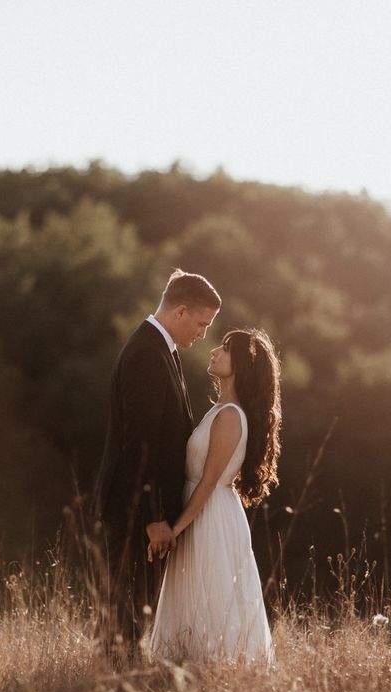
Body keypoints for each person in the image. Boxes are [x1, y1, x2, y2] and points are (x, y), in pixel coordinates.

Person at [93, 269, 221, 658]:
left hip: (144, 509)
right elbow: (140, 445)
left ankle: (122, 676)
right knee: (124, 612)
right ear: (181, 312)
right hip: (133, 510)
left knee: (133, 609)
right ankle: (114, 682)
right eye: (201, 324)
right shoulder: (147, 354)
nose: (202, 334)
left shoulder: (162, 349)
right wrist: (151, 516)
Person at [150, 328, 281, 664]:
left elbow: (208, 483)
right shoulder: (219, 409)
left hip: (209, 516)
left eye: (224, 349)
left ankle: (216, 676)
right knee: (192, 601)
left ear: (242, 363)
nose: (213, 353)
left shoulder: (229, 417)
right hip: (200, 511)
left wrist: (175, 529)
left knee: (212, 602)